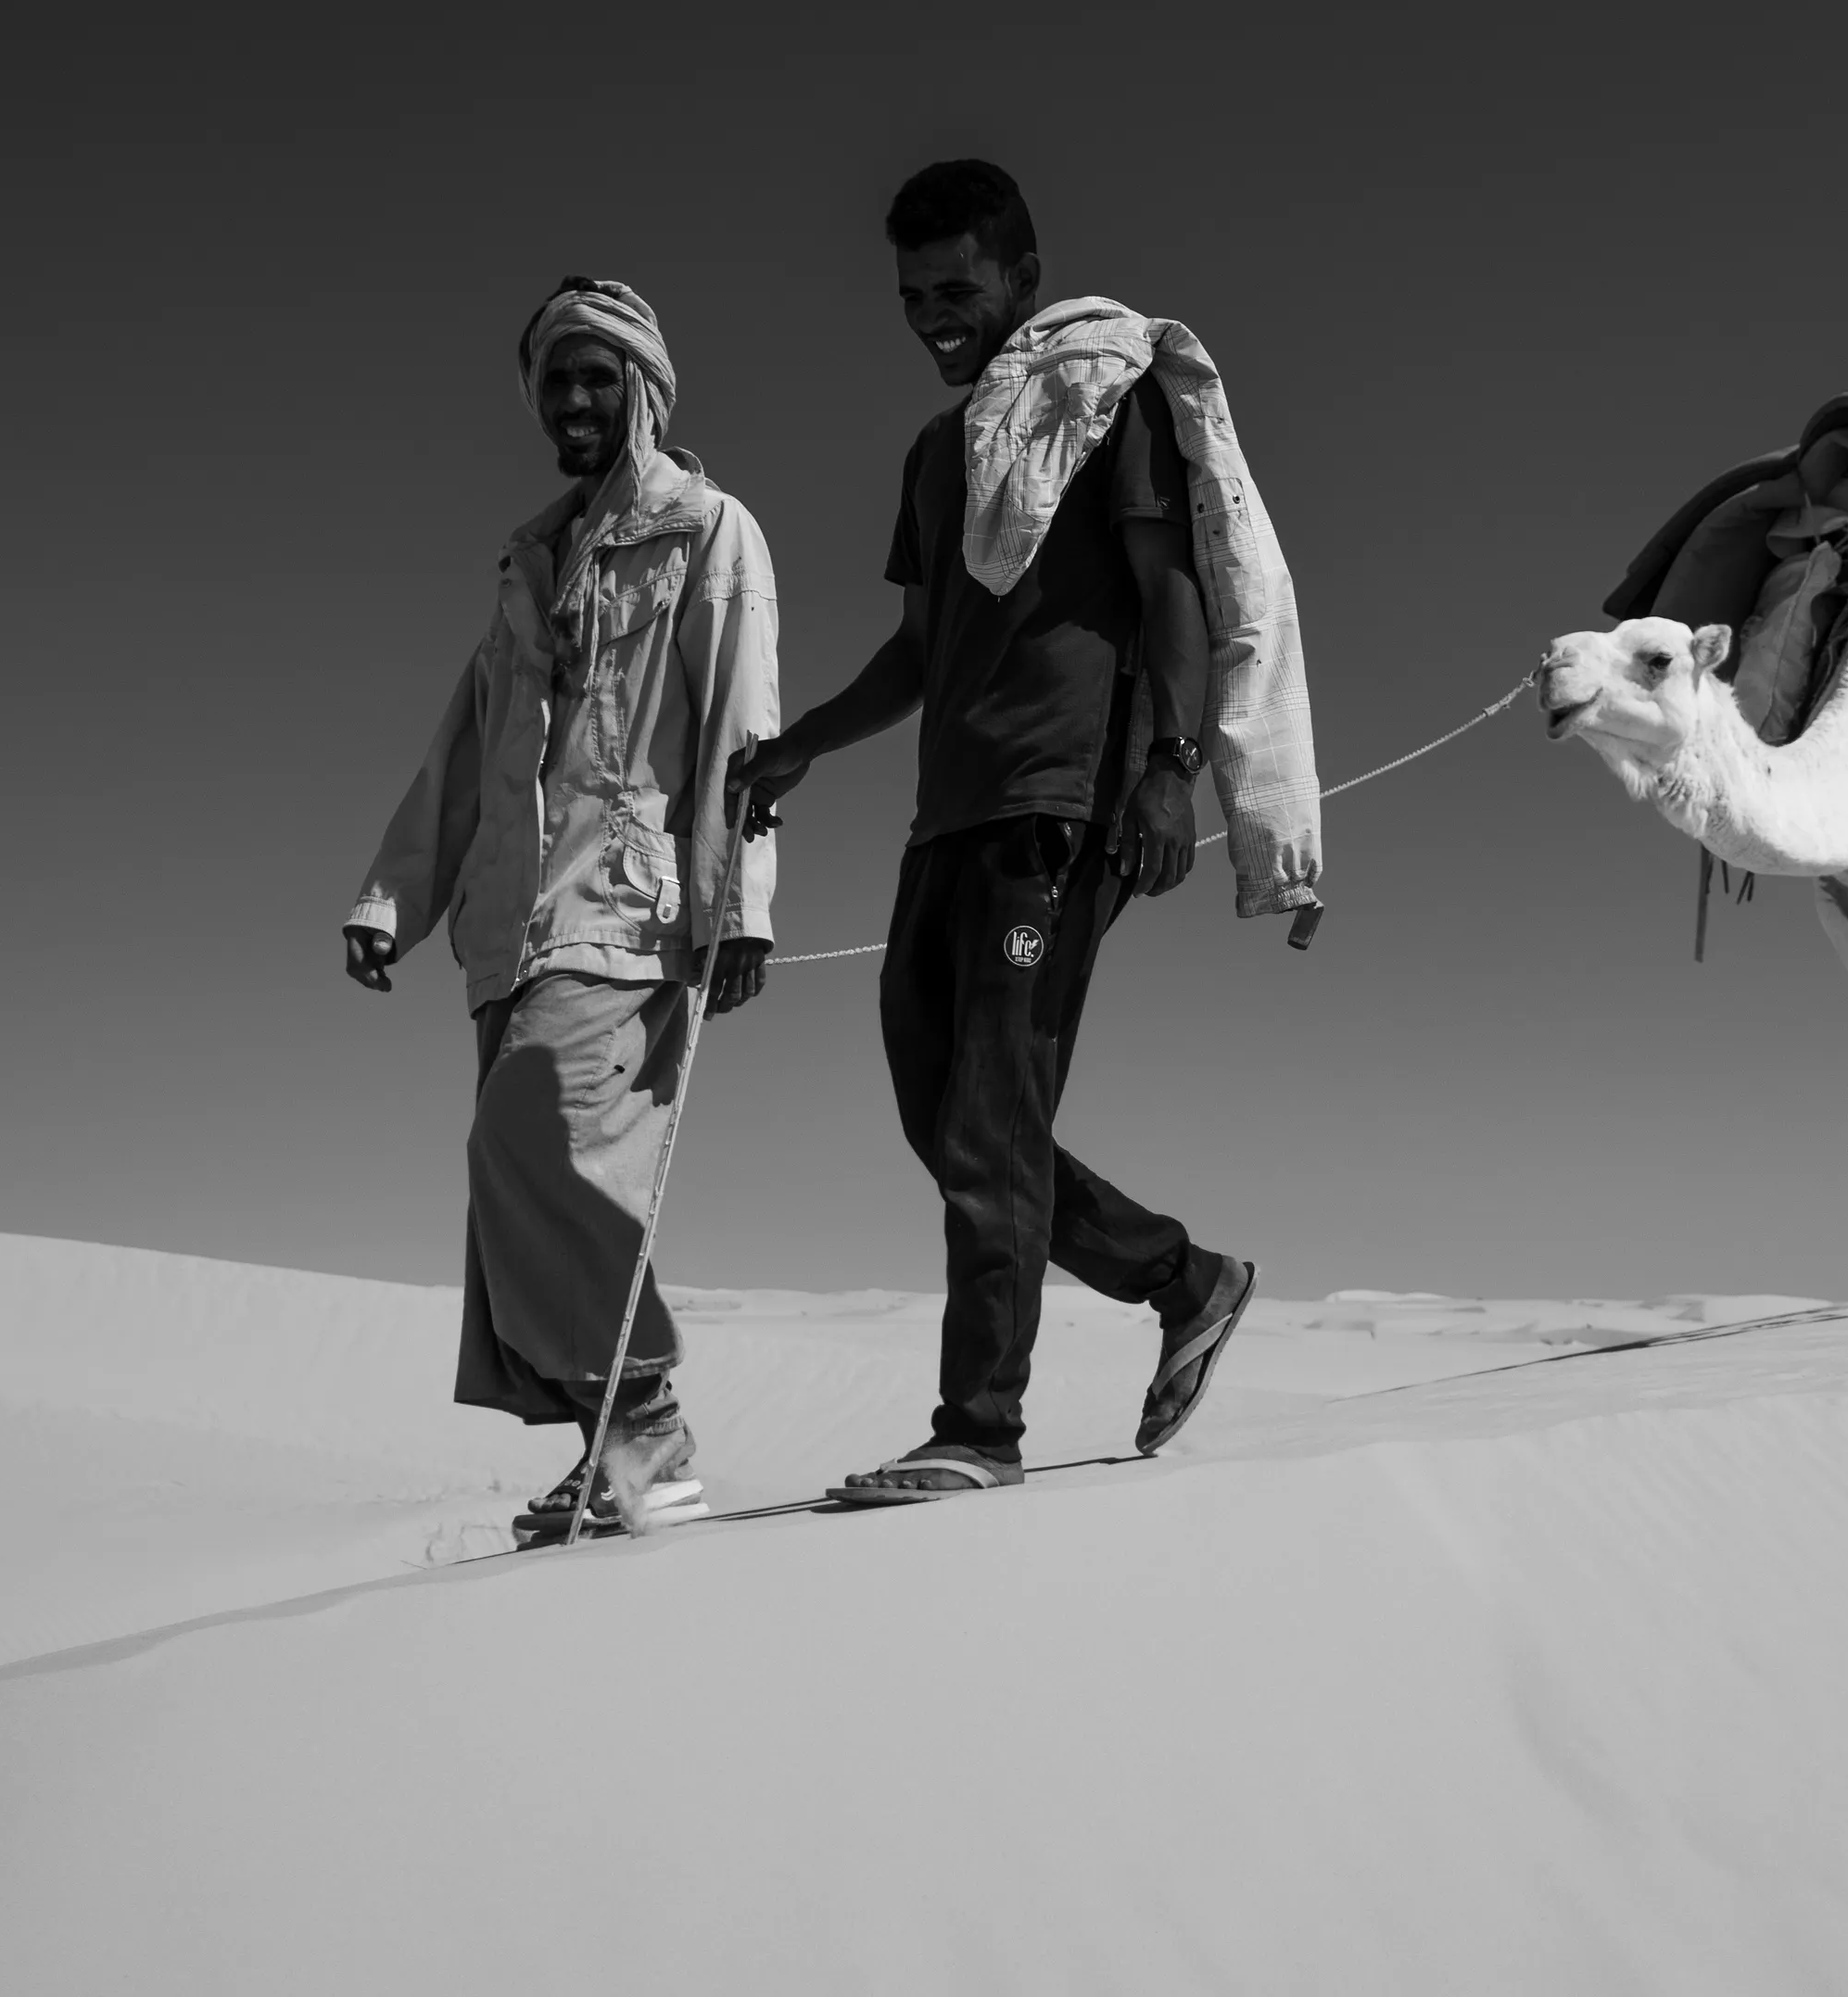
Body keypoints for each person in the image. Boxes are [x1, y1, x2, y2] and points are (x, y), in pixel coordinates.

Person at [727, 160, 1312, 1502]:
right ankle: (1188, 1279)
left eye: (958, 287)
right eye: (912, 295)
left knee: (990, 1114)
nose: (934, 314)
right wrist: (801, 745)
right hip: (951, 817)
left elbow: (1169, 591)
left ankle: (978, 1429)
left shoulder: (1101, 408)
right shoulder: (940, 458)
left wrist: (1173, 768)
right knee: (947, 1118)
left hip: (1065, 805)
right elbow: (923, 647)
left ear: (1023, 279)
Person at [342, 278, 778, 1543]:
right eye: (555, 379)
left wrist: (738, 902)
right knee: (526, 1171)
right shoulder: (527, 564)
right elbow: (465, 751)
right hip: (513, 928)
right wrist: (392, 899)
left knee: (529, 1137)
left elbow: (745, 722)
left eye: (598, 376)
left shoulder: (708, 529)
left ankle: (647, 1420)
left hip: (633, 909)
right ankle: (620, 1455)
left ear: (644, 387)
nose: (574, 399)